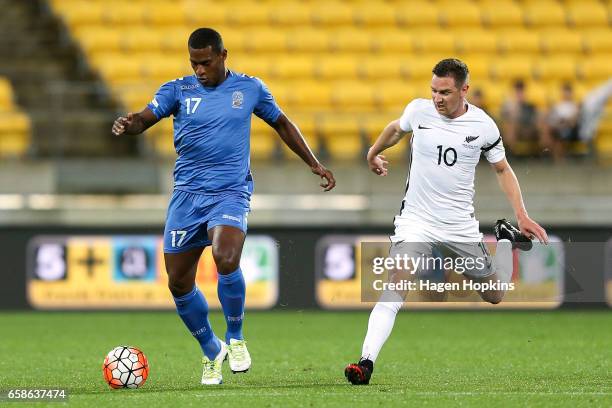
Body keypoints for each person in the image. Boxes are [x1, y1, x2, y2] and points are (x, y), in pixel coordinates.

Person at [112, 28, 335, 385]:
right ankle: (211, 348)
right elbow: (145, 118)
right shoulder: (177, 90)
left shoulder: (250, 89)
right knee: (178, 283)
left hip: (230, 192)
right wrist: (129, 123)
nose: (199, 70)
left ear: (223, 55)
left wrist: (313, 163)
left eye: (206, 62)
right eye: (194, 63)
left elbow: (282, 122)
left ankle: (235, 338)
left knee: (226, 258)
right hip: (186, 196)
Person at [344, 58, 548, 385]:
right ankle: (365, 362)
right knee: (397, 282)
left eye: (446, 92)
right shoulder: (420, 111)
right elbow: (396, 128)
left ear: (464, 90)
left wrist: (522, 214)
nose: (438, 98)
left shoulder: (483, 126)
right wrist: (373, 152)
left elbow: (502, 169)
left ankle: (506, 239)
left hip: (459, 227)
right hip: (416, 221)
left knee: (495, 295)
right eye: (434, 91)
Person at [500, 79, 542, 155]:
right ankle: (511, 152)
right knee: (510, 126)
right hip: (514, 128)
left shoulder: (530, 106)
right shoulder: (509, 105)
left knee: (542, 124)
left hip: (528, 128)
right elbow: (504, 117)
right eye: (518, 91)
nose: (520, 94)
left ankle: (542, 152)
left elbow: (534, 118)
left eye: (521, 91)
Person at [542, 83, 580, 163]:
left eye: (567, 91)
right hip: (558, 126)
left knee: (556, 133)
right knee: (548, 128)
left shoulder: (574, 106)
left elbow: (573, 121)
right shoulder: (558, 105)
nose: (566, 94)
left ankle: (555, 157)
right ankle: (556, 157)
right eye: (564, 91)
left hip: (569, 129)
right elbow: (551, 117)